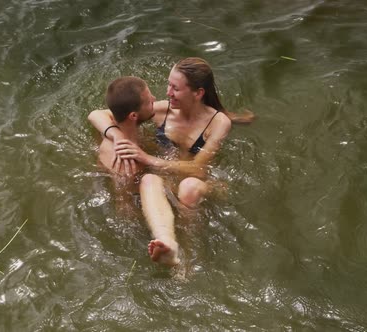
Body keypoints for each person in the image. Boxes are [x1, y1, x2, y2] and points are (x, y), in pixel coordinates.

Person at [89, 58, 254, 265]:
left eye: (175, 88)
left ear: (198, 93)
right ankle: (169, 246)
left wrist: (147, 158)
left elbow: (199, 169)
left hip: (202, 184)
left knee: (189, 187)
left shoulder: (219, 123)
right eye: (169, 84)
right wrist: (116, 135)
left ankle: (191, 257)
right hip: (167, 180)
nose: (167, 92)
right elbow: (97, 114)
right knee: (148, 180)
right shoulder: (163, 110)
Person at [96, 76, 180, 266]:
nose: (154, 101)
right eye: (150, 101)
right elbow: (123, 201)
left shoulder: (120, 130)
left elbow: (95, 114)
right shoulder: (121, 156)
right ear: (133, 115)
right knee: (151, 180)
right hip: (144, 202)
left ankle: (166, 244)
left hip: (146, 195)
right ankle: (166, 242)